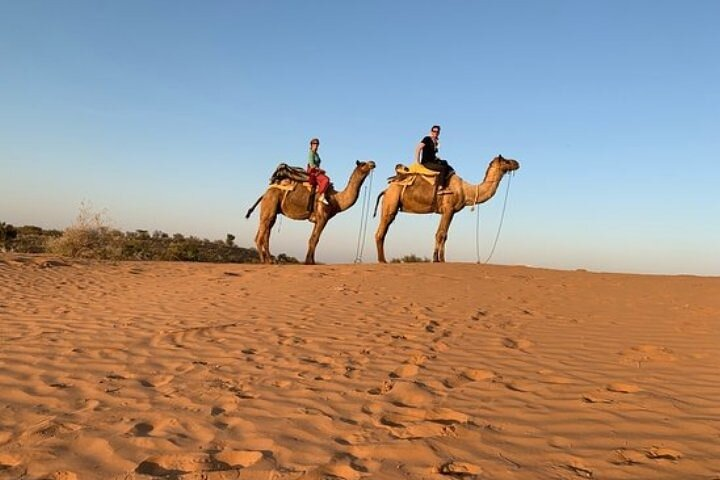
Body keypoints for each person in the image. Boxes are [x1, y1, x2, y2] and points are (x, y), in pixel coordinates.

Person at [415, 125, 452, 192]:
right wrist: (418, 162)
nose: (435, 133)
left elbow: (431, 153)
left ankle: (447, 183)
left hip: (433, 161)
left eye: (437, 132)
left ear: (439, 133)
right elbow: (418, 148)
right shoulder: (427, 139)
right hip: (426, 162)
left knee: (446, 164)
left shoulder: (436, 142)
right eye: (434, 131)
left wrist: (436, 158)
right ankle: (440, 187)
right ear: (431, 131)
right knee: (442, 168)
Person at [307, 138, 330, 205]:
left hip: (317, 171)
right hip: (313, 172)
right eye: (314, 144)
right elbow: (312, 165)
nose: (316, 145)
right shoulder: (311, 153)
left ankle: (322, 195)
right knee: (326, 179)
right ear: (311, 145)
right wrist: (320, 170)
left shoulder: (316, 153)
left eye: (317, 144)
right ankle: (320, 196)